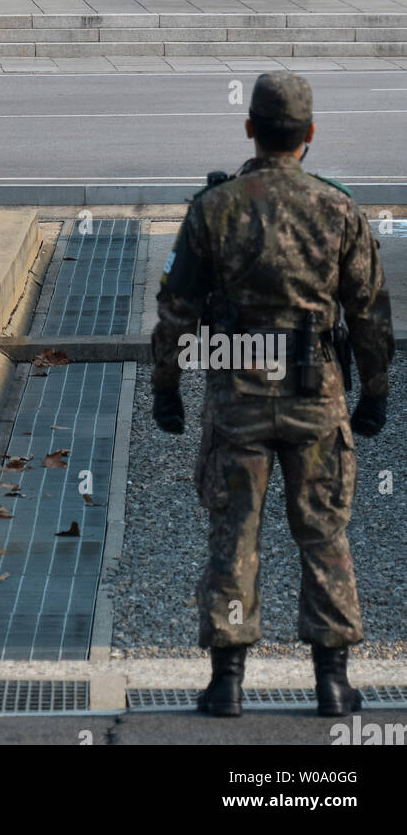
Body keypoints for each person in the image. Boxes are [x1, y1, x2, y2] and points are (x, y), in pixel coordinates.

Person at [151, 72, 393, 718]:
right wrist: (376, 391)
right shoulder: (337, 207)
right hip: (317, 394)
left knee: (235, 538)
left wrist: (166, 388)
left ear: (250, 127)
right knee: (324, 536)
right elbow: (368, 313)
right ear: (310, 134)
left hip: (237, 395)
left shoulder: (214, 208)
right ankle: (333, 683)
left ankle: (227, 681)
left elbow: (175, 310)